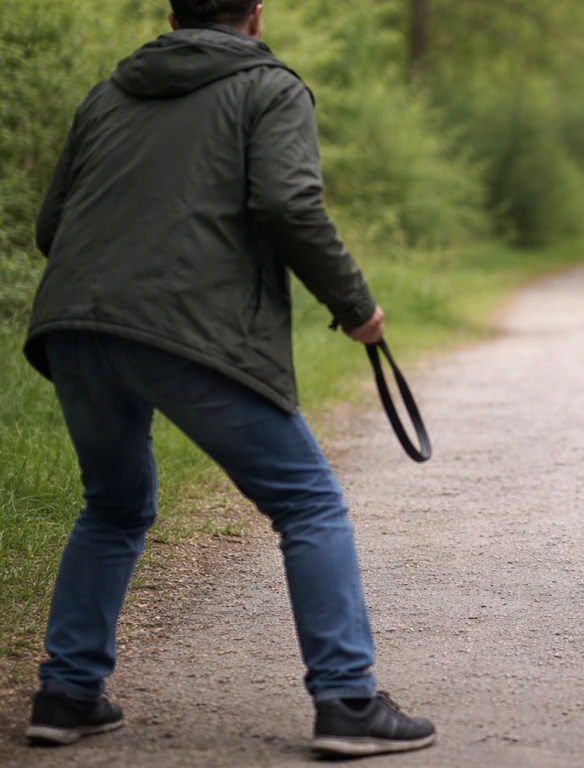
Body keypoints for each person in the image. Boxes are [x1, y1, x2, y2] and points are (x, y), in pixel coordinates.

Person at [21, 0, 435, 758]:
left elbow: (53, 226)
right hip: (192, 331)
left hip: (74, 325)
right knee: (308, 503)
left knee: (112, 507)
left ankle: (67, 693)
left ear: (174, 14)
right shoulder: (269, 86)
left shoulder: (108, 93)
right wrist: (355, 306)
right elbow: (288, 202)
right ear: (255, 14)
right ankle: (346, 701)